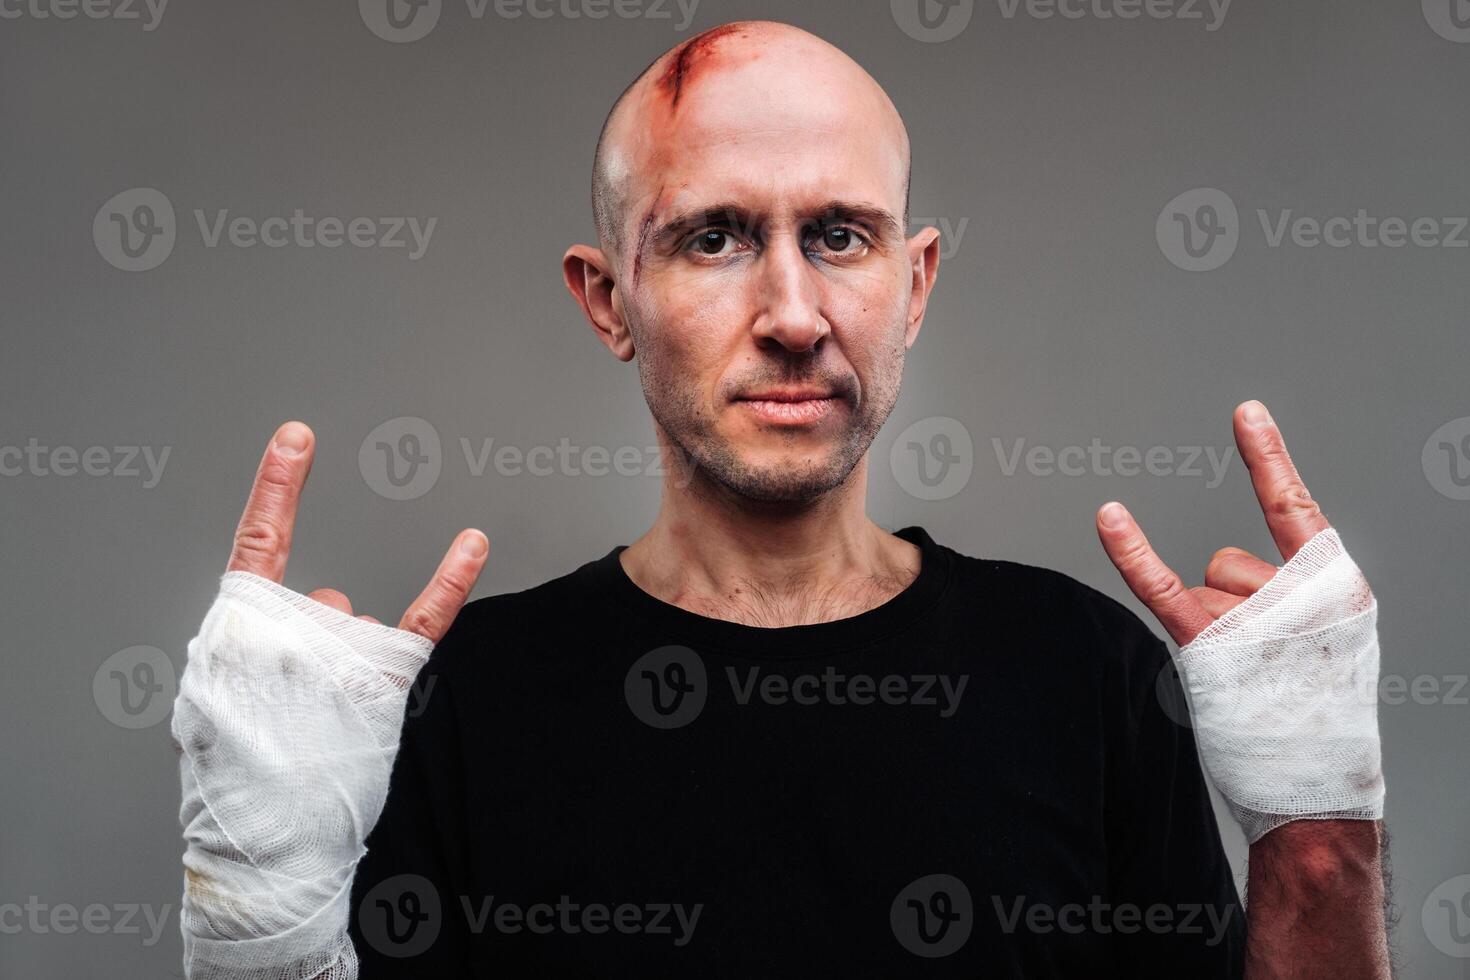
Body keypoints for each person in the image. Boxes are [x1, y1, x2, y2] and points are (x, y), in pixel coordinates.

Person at [173, 20, 1390, 978]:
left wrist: (1320, 833)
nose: (796, 315)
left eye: (842, 235)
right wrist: (259, 943)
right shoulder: (461, 702)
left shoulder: (1089, 675)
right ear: (609, 300)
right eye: (714, 238)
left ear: (913, 286)